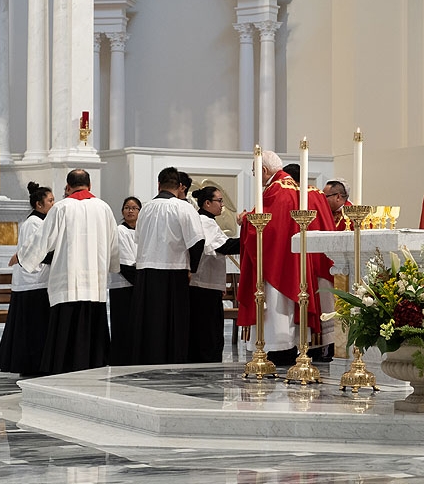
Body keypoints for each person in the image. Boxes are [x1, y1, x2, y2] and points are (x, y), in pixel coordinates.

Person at [13, 169, 119, 374]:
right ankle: (93, 363)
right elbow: (113, 243)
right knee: (92, 322)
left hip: (67, 279)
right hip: (95, 280)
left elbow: (43, 239)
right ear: (89, 186)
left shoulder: (61, 208)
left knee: (65, 325)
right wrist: (112, 266)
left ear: (68, 187)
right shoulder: (104, 208)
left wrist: (24, 256)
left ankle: (63, 365)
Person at [237, 151, 331, 366]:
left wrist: (245, 222)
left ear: (263, 170)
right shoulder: (305, 189)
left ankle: (276, 349)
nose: (255, 177)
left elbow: (265, 229)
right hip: (297, 262)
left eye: (254, 172)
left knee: (277, 309)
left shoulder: (276, 191)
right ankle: (296, 349)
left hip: (278, 263)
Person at [130, 167, 205, 364]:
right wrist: (192, 269)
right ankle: (173, 359)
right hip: (173, 270)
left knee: (150, 320)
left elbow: (138, 238)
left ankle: (147, 359)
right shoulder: (183, 207)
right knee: (173, 321)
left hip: (146, 271)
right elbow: (197, 242)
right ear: (180, 186)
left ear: (158, 184)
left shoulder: (145, 208)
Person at [0, 182, 55, 376]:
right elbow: (34, 253)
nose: (54, 204)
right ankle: (30, 365)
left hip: (38, 281)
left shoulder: (42, 222)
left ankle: (38, 363)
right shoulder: (33, 224)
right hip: (32, 282)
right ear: (39, 204)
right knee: (32, 328)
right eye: (50, 200)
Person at [188, 187, 240, 363]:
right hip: (203, 285)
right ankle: (207, 362)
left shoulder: (208, 220)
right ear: (207, 203)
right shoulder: (204, 220)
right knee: (208, 330)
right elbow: (221, 247)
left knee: (211, 329)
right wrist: (252, 237)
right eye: (219, 201)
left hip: (208, 285)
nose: (222, 205)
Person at [108, 196, 141, 365]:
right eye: (127, 207)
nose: (130, 211)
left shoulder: (143, 232)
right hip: (123, 285)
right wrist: (142, 283)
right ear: (122, 211)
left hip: (137, 284)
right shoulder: (120, 231)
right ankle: (121, 360)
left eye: (134, 208)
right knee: (123, 325)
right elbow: (125, 262)